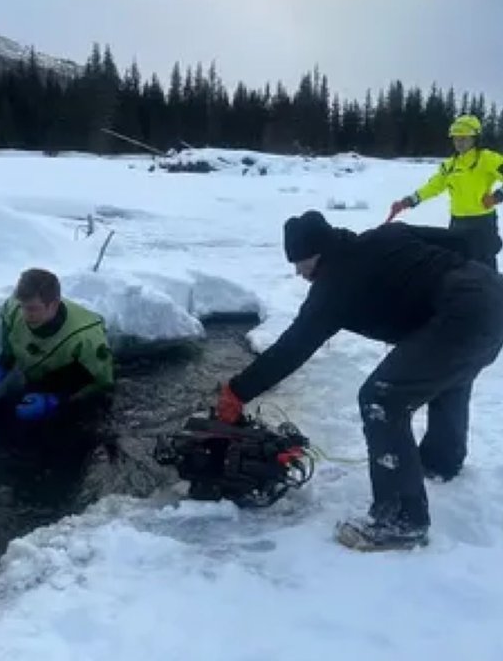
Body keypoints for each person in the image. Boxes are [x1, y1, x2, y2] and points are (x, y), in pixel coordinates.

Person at [215, 210, 503, 552]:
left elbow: (293, 347)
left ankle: (400, 521)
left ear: (318, 253)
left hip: (463, 311)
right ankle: (442, 461)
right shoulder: (387, 235)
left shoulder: (334, 285)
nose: (298, 272)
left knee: (381, 399)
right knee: (449, 373)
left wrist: (238, 391)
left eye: (301, 262)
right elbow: (464, 239)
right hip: (490, 298)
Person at [0, 268, 114, 421]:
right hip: (36, 378)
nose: (25, 314)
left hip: (71, 383)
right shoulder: (14, 308)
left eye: (33, 309)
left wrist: (56, 400)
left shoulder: (86, 335)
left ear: (54, 305)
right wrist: (5, 362)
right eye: (23, 306)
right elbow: (7, 325)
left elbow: (101, 379)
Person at [388, 113, 503, 269]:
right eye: (456, 138)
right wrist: (408, 201)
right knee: (460, 268)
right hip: (458, 223)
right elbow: (433, 186)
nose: (459, 142)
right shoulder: (449, 165)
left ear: (475, 139)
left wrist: (497, 197)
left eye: (464, 138)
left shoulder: (487, 159)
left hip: (482, 225)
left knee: (485, 269)